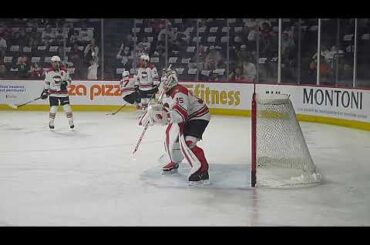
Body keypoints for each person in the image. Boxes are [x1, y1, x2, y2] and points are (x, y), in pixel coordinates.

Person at [139, 69, 211, 184]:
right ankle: (173, 160)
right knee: (170, 134)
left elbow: (181, 115)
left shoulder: (179, 91)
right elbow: (164, 109)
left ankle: (201, 170)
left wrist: (162, 117)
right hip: (187, 117)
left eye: (165, 81)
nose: (163, 83)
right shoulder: (166, 94)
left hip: (198, 116)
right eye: (163, 81)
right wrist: (149, 115)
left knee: (188, 142)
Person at [40, 55, 74, 129]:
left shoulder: (64, 71)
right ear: (52, 63)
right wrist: (45, 91)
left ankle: (71, 121)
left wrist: (65, 84)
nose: (56, 64)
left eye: (57, 62)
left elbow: (69, 80)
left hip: (63, 93)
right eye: (54, 62)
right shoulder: (48, 72)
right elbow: (47, 82)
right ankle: (51, 122)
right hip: (53, 93)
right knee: (54, 107)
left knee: (67, 107)